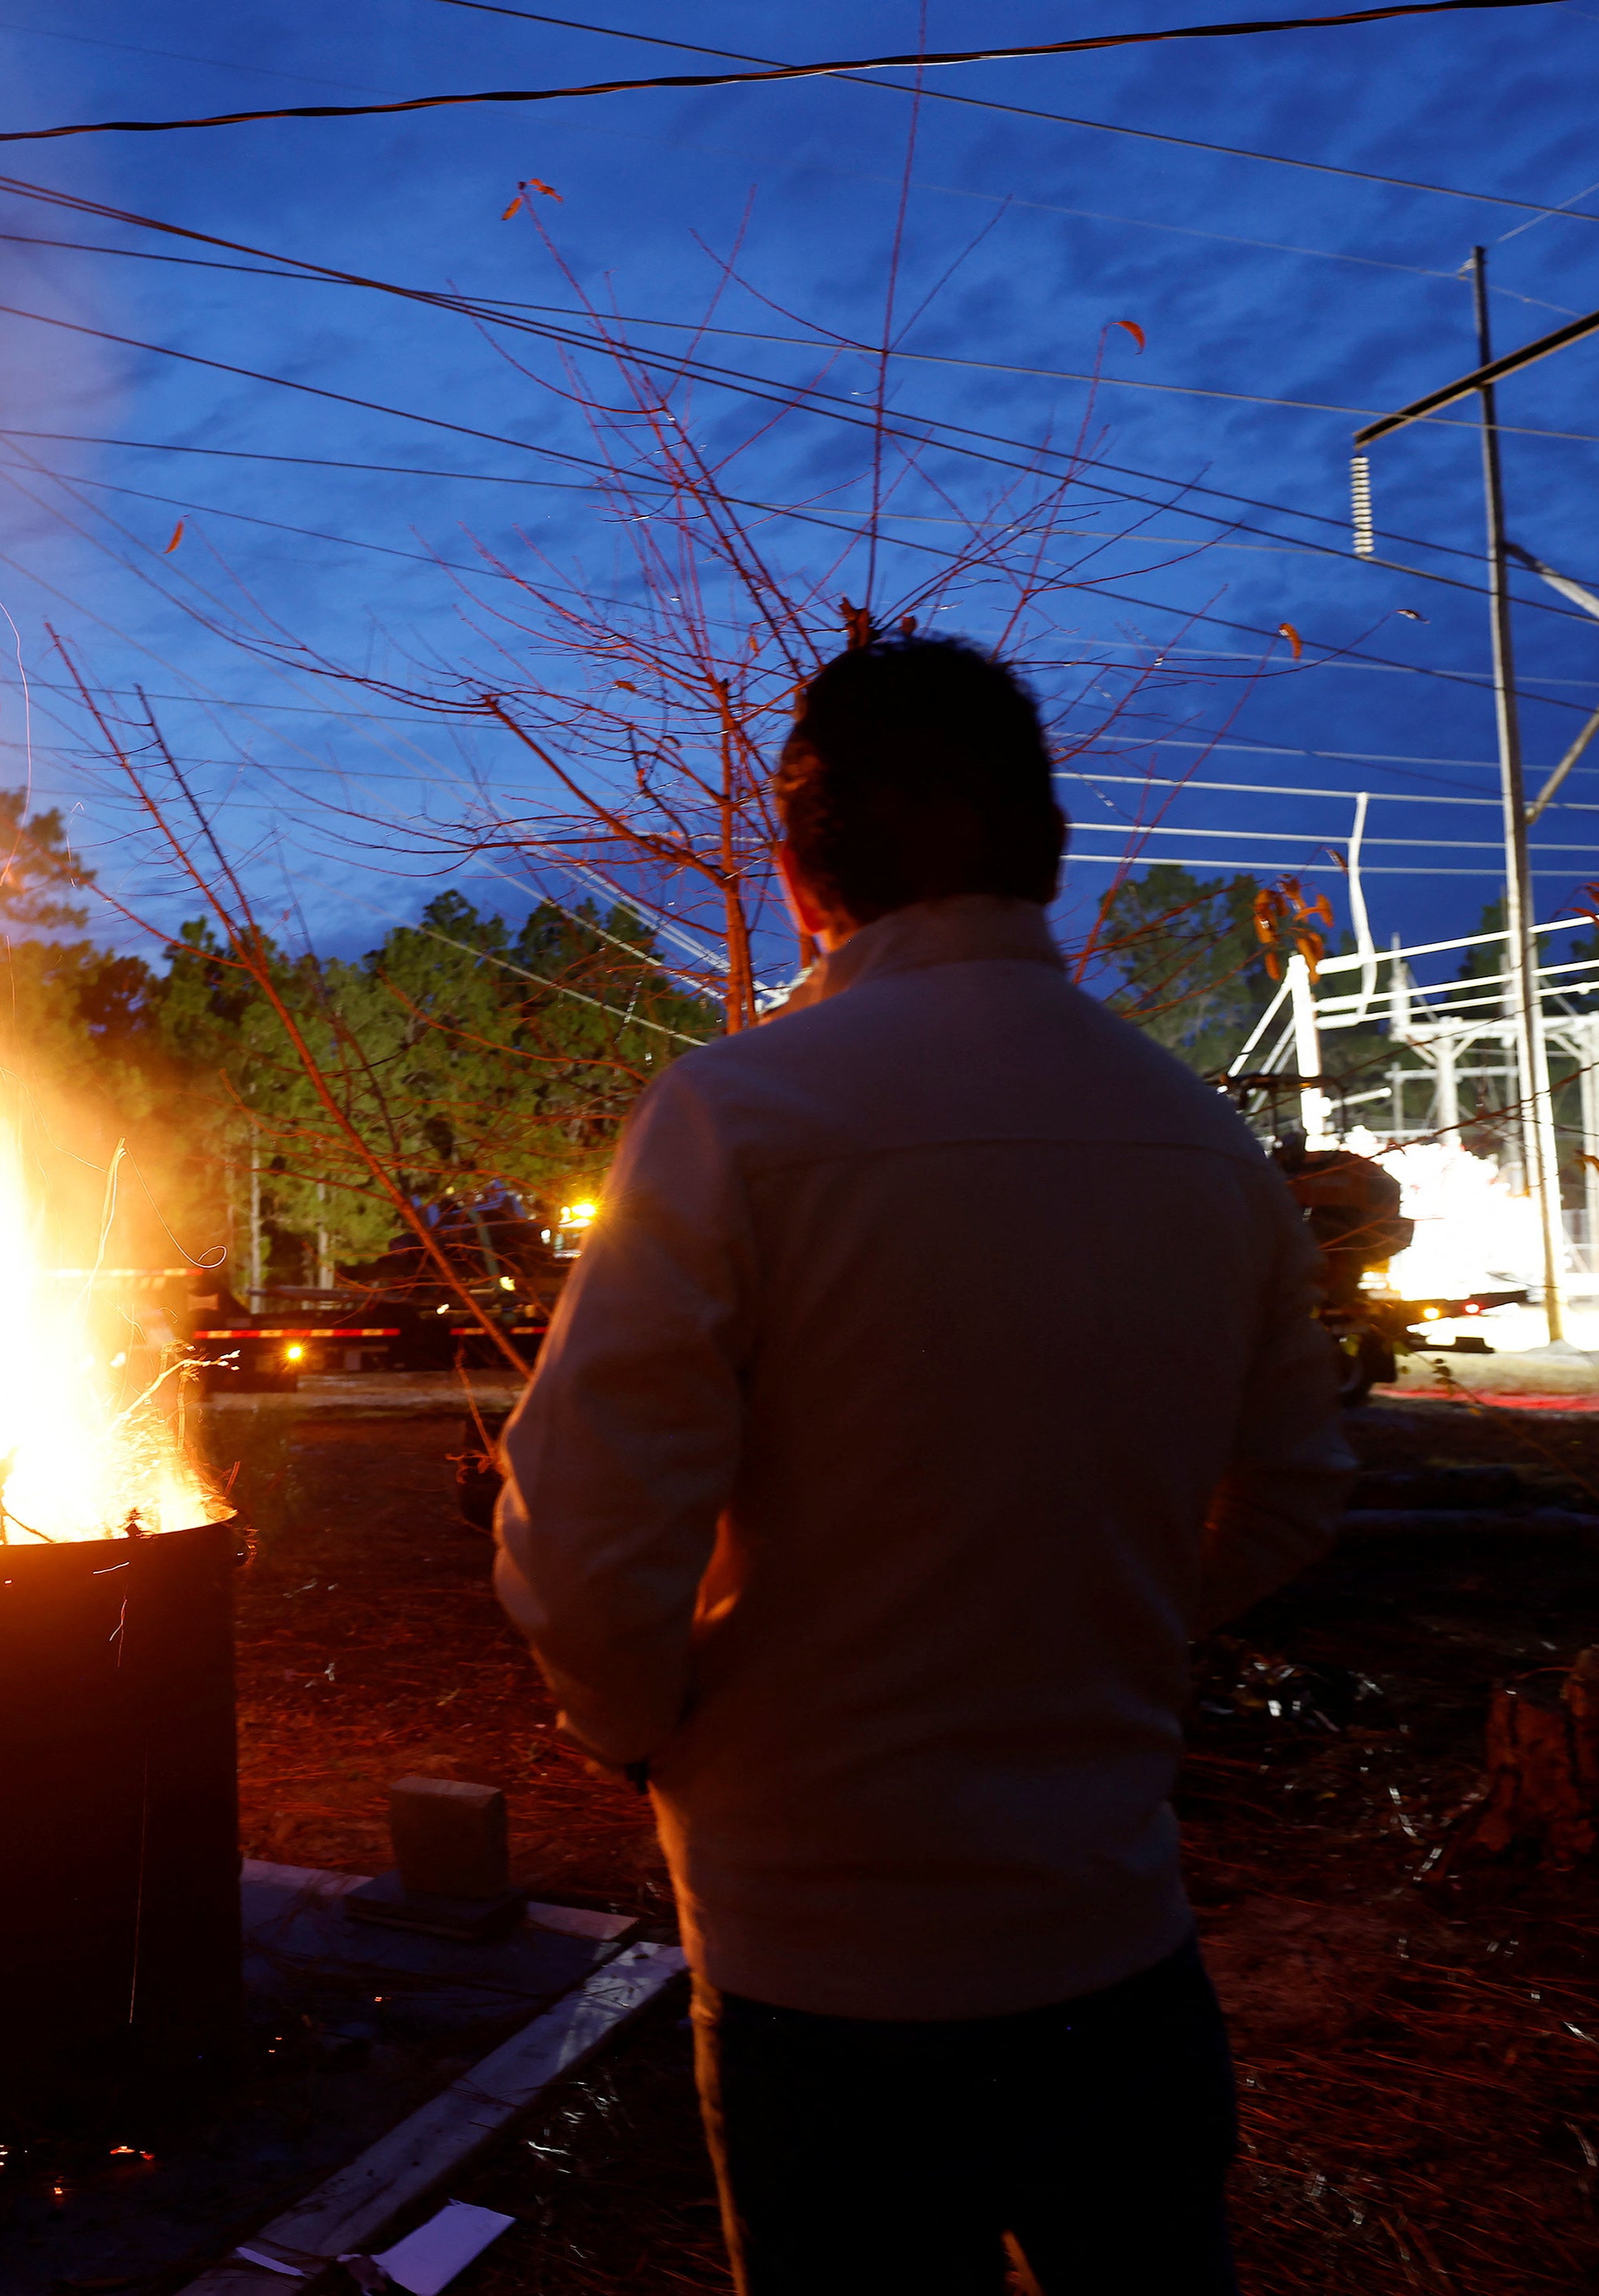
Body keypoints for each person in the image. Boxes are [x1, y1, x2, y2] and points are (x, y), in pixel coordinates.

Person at [492, 633, 1352, 2294]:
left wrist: (653, 1731)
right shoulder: (1202, 1142)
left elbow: (588, 1544)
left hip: (825, 1966)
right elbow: (1297, 1492)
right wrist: (1112, 1636)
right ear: (1047, 849)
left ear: (806, 878)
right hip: (1117, 1940)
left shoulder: (738, 1118)